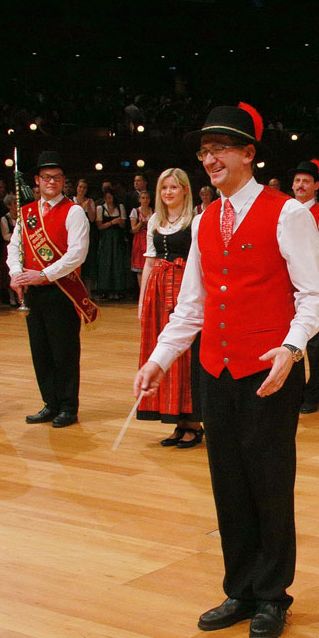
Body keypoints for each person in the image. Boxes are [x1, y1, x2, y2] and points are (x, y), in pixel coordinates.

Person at [134, 103, 319, 638]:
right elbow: (192, 305)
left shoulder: (287, 213)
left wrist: (291, 348)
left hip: (269, 370)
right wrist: (159, 359)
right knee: (227, 484)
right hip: (214, 369)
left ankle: (272, 594)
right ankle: (240, 588)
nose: (209, 158)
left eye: (220, 148)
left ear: (248, 154)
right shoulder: (203, 220)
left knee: (269, 483)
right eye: (203, 150)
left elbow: (313, 296)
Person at [7, 151, 96, 428]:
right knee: (41, 351)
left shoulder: (74, 211)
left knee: (64, 352)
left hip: (61, 291)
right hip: (33, 291)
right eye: (46, 177)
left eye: (57, 177)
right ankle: (51, 403)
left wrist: (43, 274)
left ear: (63, 181)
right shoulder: (27, 212)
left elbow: (76, 255)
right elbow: (15, 247)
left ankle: (69, 406)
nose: (52, 182)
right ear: (37, 180)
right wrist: (15, 274)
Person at [137, 167, 202, 448]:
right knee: (161, 349)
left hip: (185, 287)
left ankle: (193, 422)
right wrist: (142, 303)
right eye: (164, 188)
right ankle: (175, 419)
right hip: (159, 288)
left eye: (174, 187)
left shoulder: (196, 220)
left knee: (186, 354)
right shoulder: (155, 220)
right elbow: (149, 264)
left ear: (185, 190)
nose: (168, 193)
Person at [290, 159, 319, 414]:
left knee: (316, 343)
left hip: (313, 283)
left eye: (306, 181)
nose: (300, 185)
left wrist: (297, 264)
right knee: (291, 338)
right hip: (287, 285)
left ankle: (313, 395)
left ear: (316, 185)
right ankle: (294, 391)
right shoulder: (284, 211)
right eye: (297, 180)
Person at [95, 187, 130, 301]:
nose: (108, 199)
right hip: (106, 238)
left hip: (117, 238)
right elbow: (99, 226)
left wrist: (119, 222)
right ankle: (104, 290)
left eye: (110, 197)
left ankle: (119, 289)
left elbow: (124, 225)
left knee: (118, 262)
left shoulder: (120, 207)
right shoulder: (100, 208)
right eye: (106, 197)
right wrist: (111, 222)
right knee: (106, 263)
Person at [129, 189, 153, 290]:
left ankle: (150, 290)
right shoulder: (136, 211)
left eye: (147, 198)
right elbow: (133, 229)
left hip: (150, 238)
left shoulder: (153, 211)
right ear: (139, 199)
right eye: (143, 198)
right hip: (139, 239)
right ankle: (141, 290)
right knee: (140, 268)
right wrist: (141, 223)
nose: (145, 200)